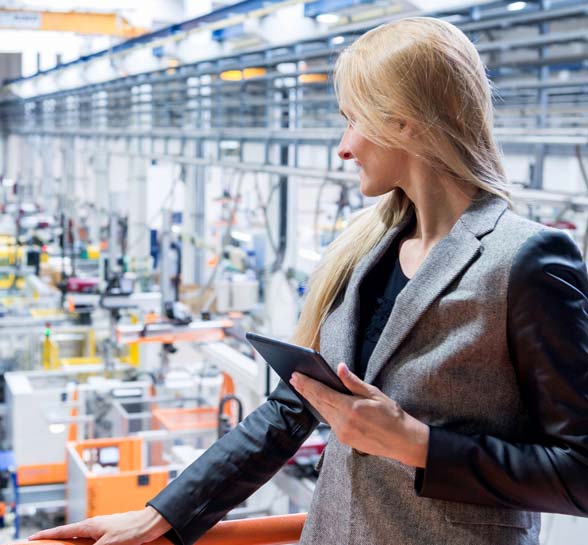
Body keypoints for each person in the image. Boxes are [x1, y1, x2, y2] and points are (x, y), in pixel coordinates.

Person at [30, 16, 588, 545]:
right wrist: (162, 514)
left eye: (353, 119)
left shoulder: (526, 260)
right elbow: (291, 409)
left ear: (403, 121)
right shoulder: (366, 252)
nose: (343, 147)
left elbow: (579, 472)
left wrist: (418, 446)